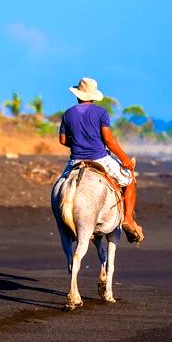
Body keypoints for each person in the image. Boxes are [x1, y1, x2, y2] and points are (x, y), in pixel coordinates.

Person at [58, 77, 144, 243]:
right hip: (100, 158)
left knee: (61, 184)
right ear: (92, 96)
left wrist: (77, 143)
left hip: (75, 160)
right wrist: (125, 159)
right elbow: (109, 141)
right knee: (130, 180)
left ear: (78, 95)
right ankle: (128, 219)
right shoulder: (101, 113)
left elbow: (62, 140)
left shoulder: (68, 113)